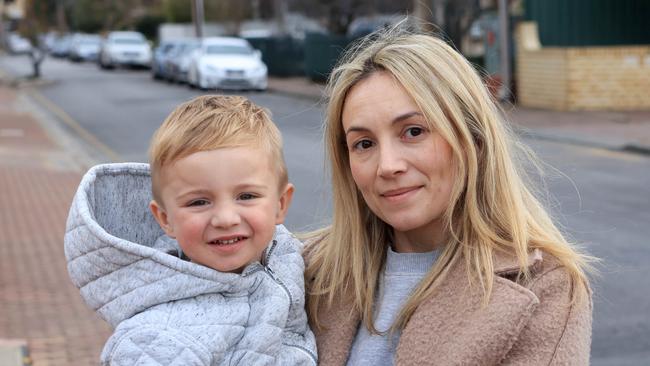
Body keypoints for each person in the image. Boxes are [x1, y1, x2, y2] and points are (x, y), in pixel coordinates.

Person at [305, 26, 594, 365]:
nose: (387, 166)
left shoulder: (547, 287)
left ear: (473, 141)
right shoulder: (305, 271)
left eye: (413, 132)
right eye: (364, 144)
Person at [64, 95, 317, 365]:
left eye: (246, 196)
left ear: (280, 204)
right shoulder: (156, 342)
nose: (225, 218)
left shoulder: (286, 254)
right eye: (199, 202)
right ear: (165, 219)